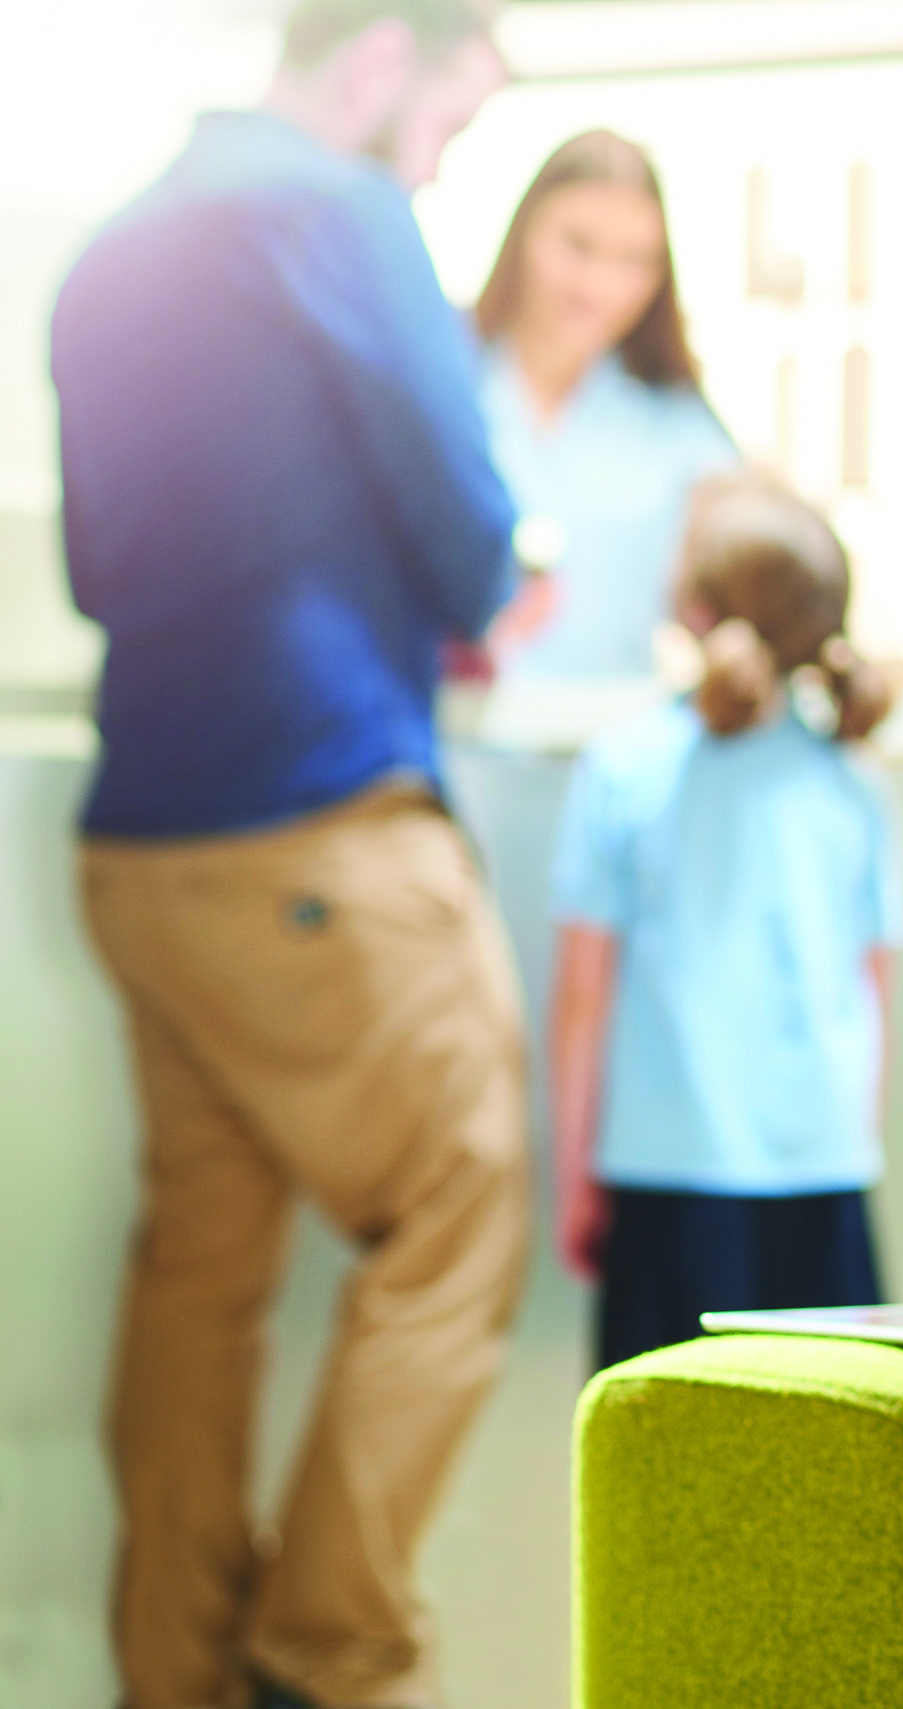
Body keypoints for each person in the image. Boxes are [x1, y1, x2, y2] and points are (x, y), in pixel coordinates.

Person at [47, 4, 520, 1707]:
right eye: (449, 127)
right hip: (313, 822)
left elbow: (103, 566)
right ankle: (325, 1655)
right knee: (463, 1202)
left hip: (146, 844)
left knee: (205, 1262)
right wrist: (446, 590)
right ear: (381, 56)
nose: (438, 166)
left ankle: (168, 1668)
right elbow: (471, 529)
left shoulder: (105, 252)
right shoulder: (335, 207)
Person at [548, 473, 903, 1371]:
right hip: (825, 1179)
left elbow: (582, 1002)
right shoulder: (854, 783)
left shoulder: (625, 768)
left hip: (666, 1181)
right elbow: (874, 996)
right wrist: (850, 1144)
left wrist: (575, 1177)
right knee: (827, 1467)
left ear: (695, 609)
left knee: (665, 1472)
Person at [473, 129, 737, 679]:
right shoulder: (447, 386)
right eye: (577, 246)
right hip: (457, 745)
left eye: (635, 260)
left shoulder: (682, 429)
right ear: (523, 235)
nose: (600, 286)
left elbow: (728, 597)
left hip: (611, 745)